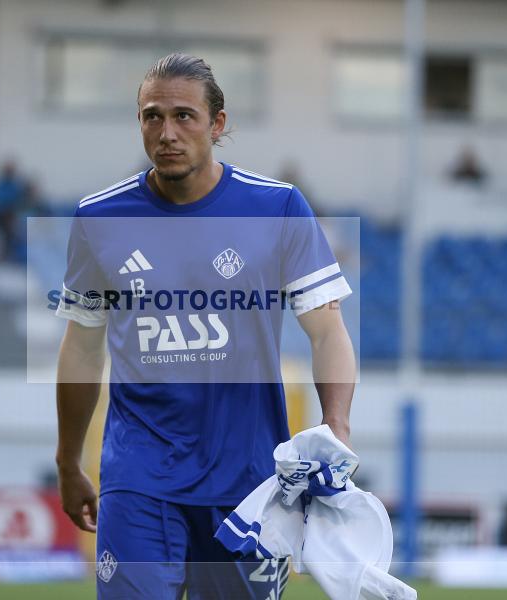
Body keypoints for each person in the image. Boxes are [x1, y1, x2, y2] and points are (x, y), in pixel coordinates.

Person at [54, 53, 356, 599]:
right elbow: (80, 348)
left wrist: (337, 426)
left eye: (183, 116)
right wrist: (68, 459)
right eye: (152, 116)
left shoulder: (278, 208)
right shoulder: (99, 219)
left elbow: (328, 330)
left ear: (217, 124)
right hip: (138, 481)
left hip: (249, 485)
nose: (166, 132)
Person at [0, 160, 25, 254]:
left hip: (11, 213)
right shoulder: (0, 183)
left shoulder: (15, 184)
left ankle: (9, 250)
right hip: (1, 213)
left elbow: (19, 198)